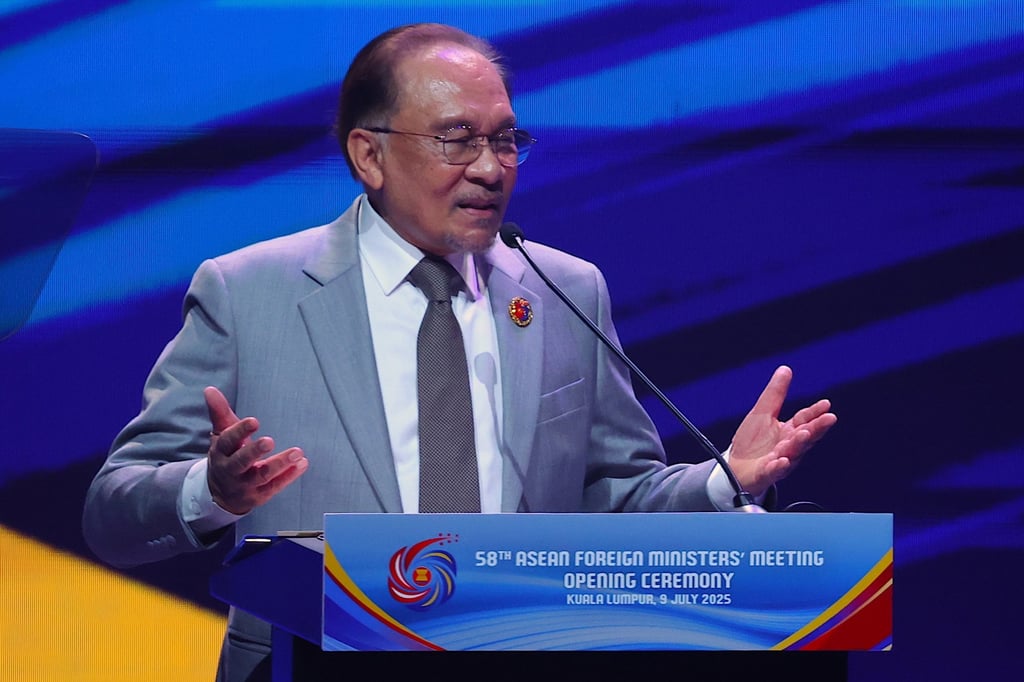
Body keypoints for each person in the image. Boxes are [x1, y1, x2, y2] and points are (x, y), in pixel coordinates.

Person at [83, 23, 836, 681]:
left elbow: (607, 498)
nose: (490, 166)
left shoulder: (563, 289)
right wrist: (210, 491)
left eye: (506, 139)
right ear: (368, 155)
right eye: (458, 139)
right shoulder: (249, 293)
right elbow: (112, 512)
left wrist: (718, 482)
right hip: (307, 666)